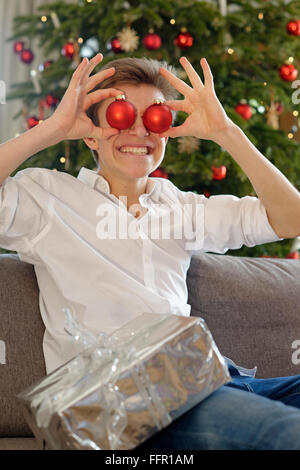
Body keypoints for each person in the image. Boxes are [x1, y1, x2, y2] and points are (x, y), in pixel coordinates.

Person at [1, 53, 300, 450]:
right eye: (121, 115)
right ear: (91, 133)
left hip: (201, 380)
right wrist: (52, 129)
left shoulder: (181, 207)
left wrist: (226, 131)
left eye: (156, 119)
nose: (139, 131)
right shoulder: (49, 199)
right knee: (284, 433)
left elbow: (291, 220)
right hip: (121, 403)